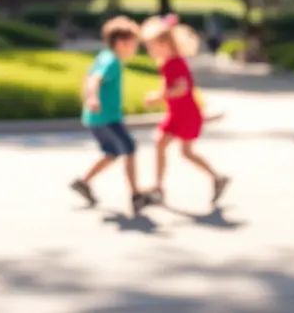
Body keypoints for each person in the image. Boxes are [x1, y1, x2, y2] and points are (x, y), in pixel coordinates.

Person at [140, 14, 229, 206]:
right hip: (176, 115)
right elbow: (169, 88)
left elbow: (181, 88)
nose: (149, 50)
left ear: (164, 44)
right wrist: (159, 96)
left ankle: (217, 177)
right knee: (160, 143)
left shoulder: (176, 63)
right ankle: (158, 186)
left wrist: (159, 97)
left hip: (187, 115)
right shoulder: (167, 63)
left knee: (186, 152)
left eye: (151, 46)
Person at [69, 16, 152, 214]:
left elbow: (89, 76)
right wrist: (92, 98)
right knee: (130, 149)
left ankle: (83, 182)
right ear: (121, 43)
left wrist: (90, 100)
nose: (135, 48)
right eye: (133, 44)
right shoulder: (112, 61)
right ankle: (136, 194)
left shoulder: (105, 56)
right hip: (106, 117)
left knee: (112, 153)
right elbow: (94, 80)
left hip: (96, 118)